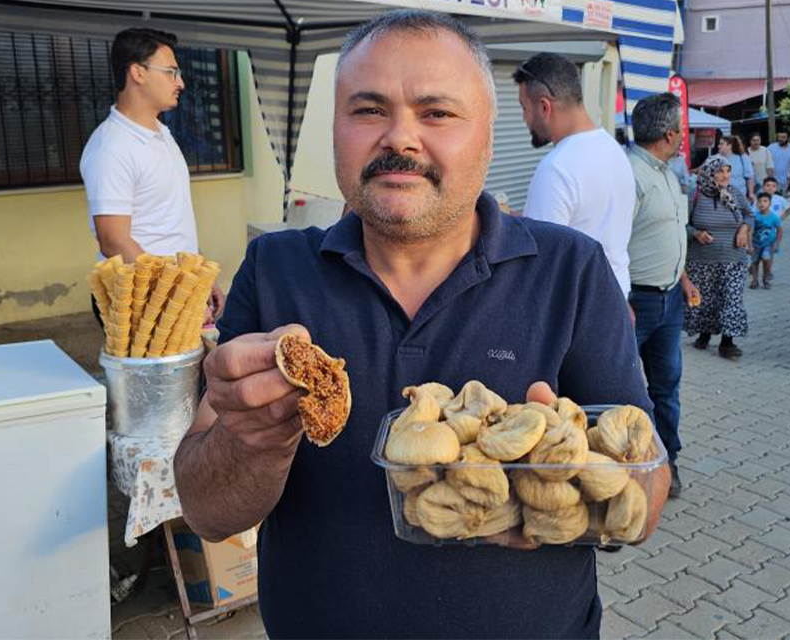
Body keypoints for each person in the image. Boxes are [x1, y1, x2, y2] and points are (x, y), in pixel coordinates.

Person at [172, 11, 670, 638]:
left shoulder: (571, 271)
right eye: (368, 110)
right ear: (336, 131)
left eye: (436, 113)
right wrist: (253, 440)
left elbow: (646, 499)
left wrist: (567, 470)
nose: (400, 138)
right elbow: (206, 511)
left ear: (487, 137)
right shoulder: (276, 272)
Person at [81, 27, 222, 320]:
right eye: (171, 72)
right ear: (138, 72)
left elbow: (174, 218)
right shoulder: (112, 146)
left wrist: (200, 277)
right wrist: (171, 294)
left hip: (175, 290)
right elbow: (113, 241)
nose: (180, 82)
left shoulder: (161, 133)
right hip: (139, 297)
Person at [626, 92, 698, 499]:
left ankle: (667, 460)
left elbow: (668, 237)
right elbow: (612, 242)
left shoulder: (669, 176)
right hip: (635, 302)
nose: (683, 137)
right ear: (670, 134)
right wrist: (619, 299)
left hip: (671, 300)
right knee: (621, 388)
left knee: (666, 387)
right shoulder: (629, 175)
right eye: (681, 131)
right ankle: (626, 466)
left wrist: (684, 278)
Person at [516, 52, 636, 297]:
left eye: (524, 108)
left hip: (576, 308)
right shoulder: (613, 150)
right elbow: (591, 222)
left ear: (544, 106)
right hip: (615, 295)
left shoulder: (557, 168)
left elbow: (540, 259)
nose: (524, 119)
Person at [685, 154, 753, 359]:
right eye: (719, 171)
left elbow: (749, 215)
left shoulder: (735, 193)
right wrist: (696, 233)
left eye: (728, 171)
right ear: (709, 173)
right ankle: (705, 334)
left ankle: (727, 342)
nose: (725, 176)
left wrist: (743, 229)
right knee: (707, 300)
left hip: (733, 259)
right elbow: (681, 224)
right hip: (702, 261)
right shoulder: (694, 194)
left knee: (731, 299)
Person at [748, 192, 782, 290]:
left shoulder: (774, 217)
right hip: (756, 244)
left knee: (766, 260)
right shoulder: (754, 216)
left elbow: (780, 231)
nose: (762, 204)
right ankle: (754, 280)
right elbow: (750, 231)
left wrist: (776, 243)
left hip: (768, 244)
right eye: (759, 202)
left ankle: (766, 279)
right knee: (754, 262)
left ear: (770, 204)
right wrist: (749, 245)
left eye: (765, 201)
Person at [716, 135, 755, 204]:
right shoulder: (716, 159)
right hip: (720, 199)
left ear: (729, 146)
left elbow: (750, 177)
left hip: (739, 198)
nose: (719, 146)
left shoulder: (742, 157)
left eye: (721, 144)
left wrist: (751, 193)